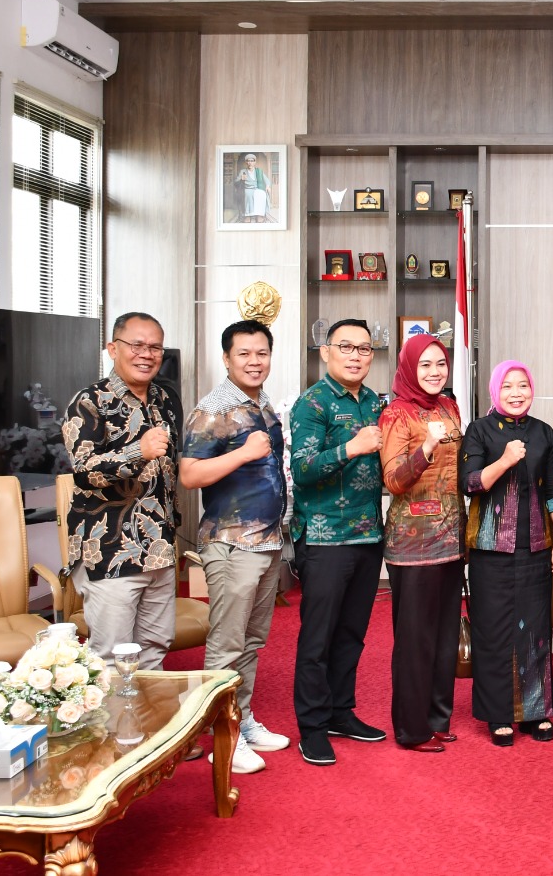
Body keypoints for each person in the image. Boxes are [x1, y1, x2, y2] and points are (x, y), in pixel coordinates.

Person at [179, 319, 291, 774]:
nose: (254, 361)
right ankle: (221, 739)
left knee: (250, 641)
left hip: (267, 541)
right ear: (226, 359)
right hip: (231, 543)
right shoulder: (212, 410)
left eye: (261, 353)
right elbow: (189, 475)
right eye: (244, 353)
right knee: (226, 645)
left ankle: (241, 721)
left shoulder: (262, 404)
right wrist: (243, 453)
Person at [290, 318, 387, 766]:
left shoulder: (375, 401)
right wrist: (352, 447)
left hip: (368, 534)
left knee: (351, 634)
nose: (355, 356)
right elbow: (303, 469)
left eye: (364, 349)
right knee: (318, 638)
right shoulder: (312, 403)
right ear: (326, 352)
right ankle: (312, 727)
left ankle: (340, 713)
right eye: (346, 347)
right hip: (324, 538)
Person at [61, 311, 181, 670]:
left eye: (155, 347)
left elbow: (169, 473)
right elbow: (84, 472)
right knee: (113, 660)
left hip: (159, 549)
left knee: (155, 651)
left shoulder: (165, 398)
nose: (146, 354)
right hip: (110, 551)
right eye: (137, 345)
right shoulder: (88, 401)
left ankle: (149, 712)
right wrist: (136, 452)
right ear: (113, 348)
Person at [459, 360, 553, 746]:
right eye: (507, 386)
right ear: (495, 391)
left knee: (535, 628)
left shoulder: (543, 432)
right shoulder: (479, 430)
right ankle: (499, 713)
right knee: (493, 631)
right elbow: (470, 483)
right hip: (490, 549)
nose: (516, 393)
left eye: (523, 385)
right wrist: (504, 460)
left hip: (535, 546)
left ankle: (536, 711)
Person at [379, 333, 465, 754]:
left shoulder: (450, 407)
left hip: (452, 537)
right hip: (413, 543)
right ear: (410, 368)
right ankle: (412, 729)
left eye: (440, 364)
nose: (434, 372)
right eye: (425, 365)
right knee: (416, 639)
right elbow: (393, 480)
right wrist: (427, 447)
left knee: (446, 637)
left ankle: (437, 718)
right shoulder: (396, 413)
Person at [235, 152, 271, 224]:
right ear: (246, 162)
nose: (250, 163)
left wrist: (267, 186)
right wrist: (241, 179)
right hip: (247, 189)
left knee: (262, 194)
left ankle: (259, 215)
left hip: (257, 189)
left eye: (252, 161)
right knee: (248, 194)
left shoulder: (259, 171)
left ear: (254, 162)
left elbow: (267, 180)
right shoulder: (243, 171)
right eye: (248, 161)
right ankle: (248, 215)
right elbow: (236, 182)